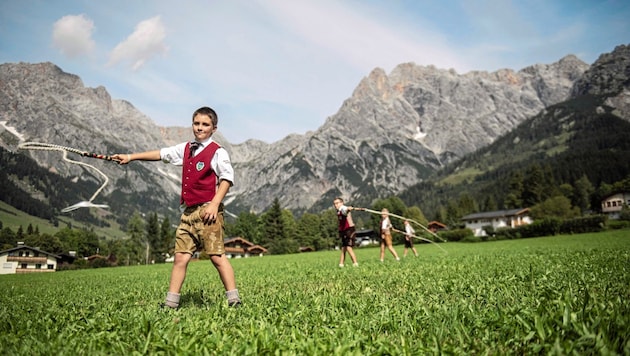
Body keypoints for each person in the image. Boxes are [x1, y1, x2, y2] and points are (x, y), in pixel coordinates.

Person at [112, 106, 241, 309]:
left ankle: (234, 301)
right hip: (188, 212)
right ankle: (171, 304)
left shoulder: (218, 151)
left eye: (205, 124)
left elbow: (227, 178)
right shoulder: (186, 148)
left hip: (208, 211)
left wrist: (215, 205)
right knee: (180, 258)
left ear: (214, 128)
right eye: (196, 123)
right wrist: (130, 157)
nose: (200, 128)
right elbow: (161, 154)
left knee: (216, 256)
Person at [333, 197, 359, 267]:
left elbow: (345, 211)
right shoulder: (338, 211)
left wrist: (348, 209)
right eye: (334, 204)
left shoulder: (343, 208)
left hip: (349, 230)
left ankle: (355, 263)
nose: (336, 205)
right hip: (344, 230)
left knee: (348, 247)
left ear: (342, 203)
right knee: (344, 247)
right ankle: (341, 264)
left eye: (337, 203)